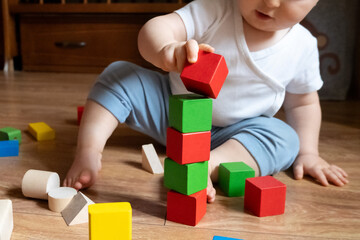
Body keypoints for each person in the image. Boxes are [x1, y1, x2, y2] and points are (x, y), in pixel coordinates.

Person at [64, 0, 349, 203]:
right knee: (120, 75)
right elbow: (156, 27)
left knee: (285, 137)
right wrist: (166, 48)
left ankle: (208, 166)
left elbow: (303, 104)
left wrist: (308, 153)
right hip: (173, 112)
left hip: (238, 133)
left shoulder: (303, 46)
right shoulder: (214, 8)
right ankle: (89, 150)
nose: (271, 2)